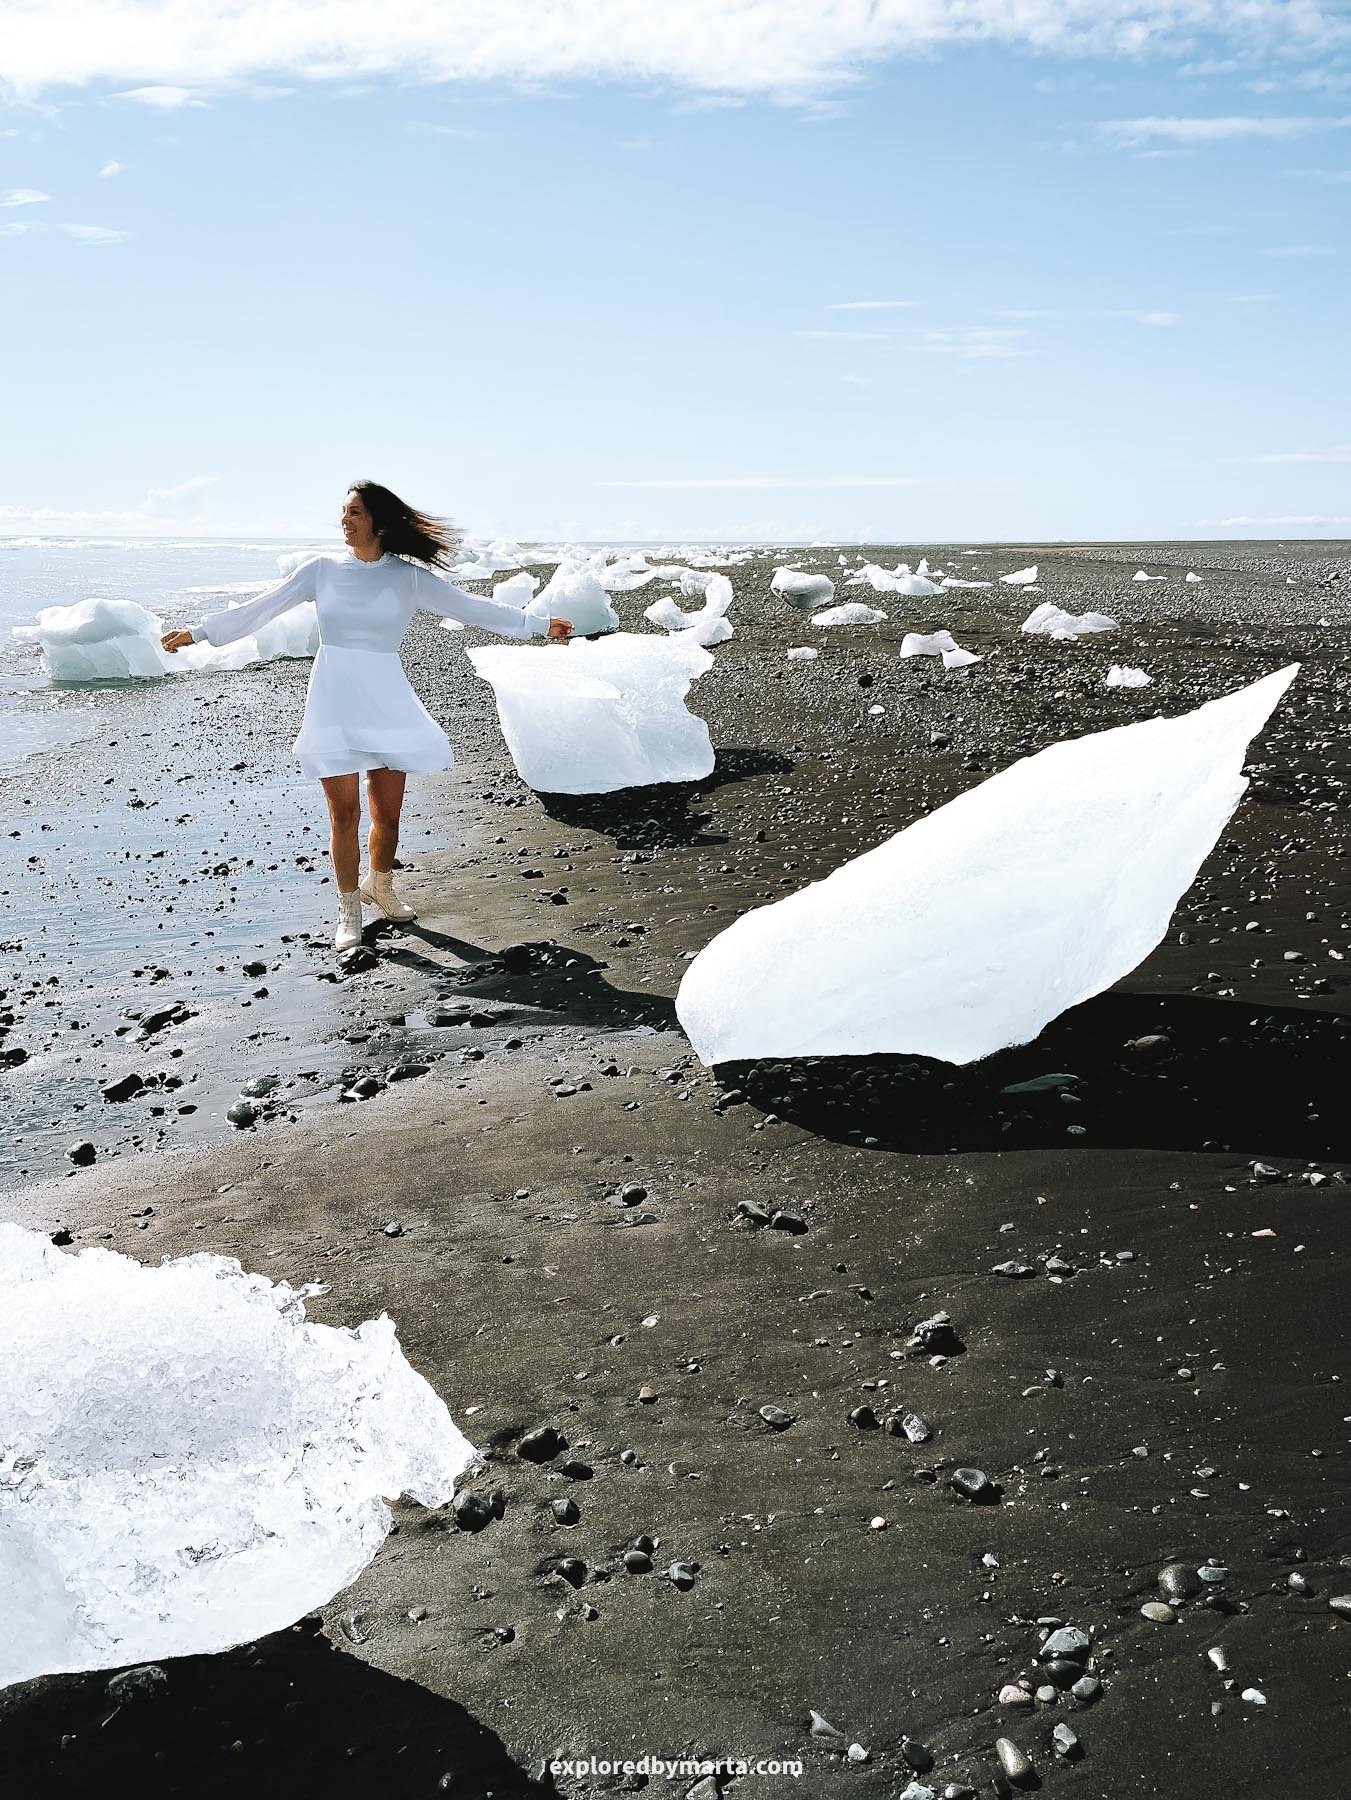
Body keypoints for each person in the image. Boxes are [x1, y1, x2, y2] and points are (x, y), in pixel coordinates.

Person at [162, 482, 572, 951]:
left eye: (354, 512)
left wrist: (538, 625)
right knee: (344, 814)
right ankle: (348, 907)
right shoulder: (320, 570)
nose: (345, 520)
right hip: (334, 700)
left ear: (378, 520)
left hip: (386, 700)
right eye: (343, 512)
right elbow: (263, 608)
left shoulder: (408, 577)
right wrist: (200, 632)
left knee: (388, 814)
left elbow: (472, 608)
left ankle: (380, 885)